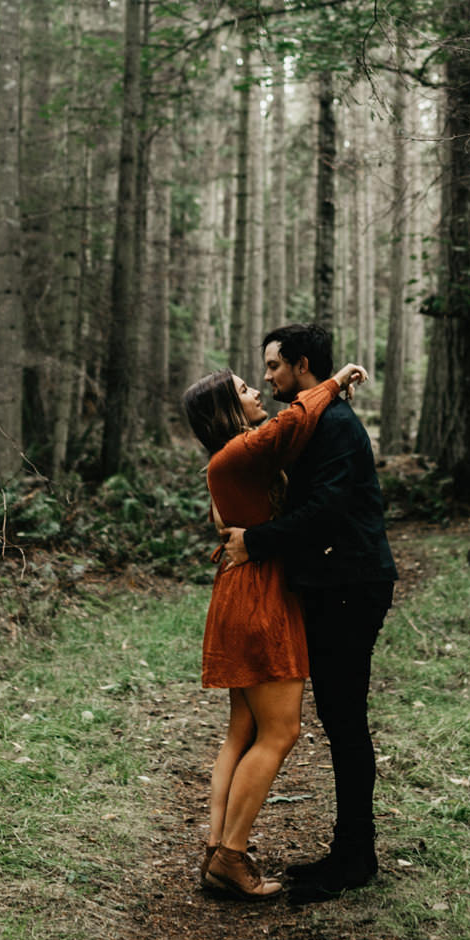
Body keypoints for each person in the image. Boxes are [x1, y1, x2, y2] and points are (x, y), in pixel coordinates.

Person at [221, 322, 397, 901]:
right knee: (339, 719)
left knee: (345, 721)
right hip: (332, 585)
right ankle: (349, 851)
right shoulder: (313, 418)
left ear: (301, 366)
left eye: (274, 366)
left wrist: (256, 541)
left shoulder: (337, 425)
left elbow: (324, 511)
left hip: (352, 586)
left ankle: (355, 859)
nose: (267, 376)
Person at [182, 357, 368, 899]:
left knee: (242, 729)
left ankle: (217, 848)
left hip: (241, 591)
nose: (258, 393)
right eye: (245, 389)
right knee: (281, 731)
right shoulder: (239, 451)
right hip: (259, 597)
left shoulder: (225, 462)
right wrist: (335, 381)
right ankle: (232, 856)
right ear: (226, 408)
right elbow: (293, 422)